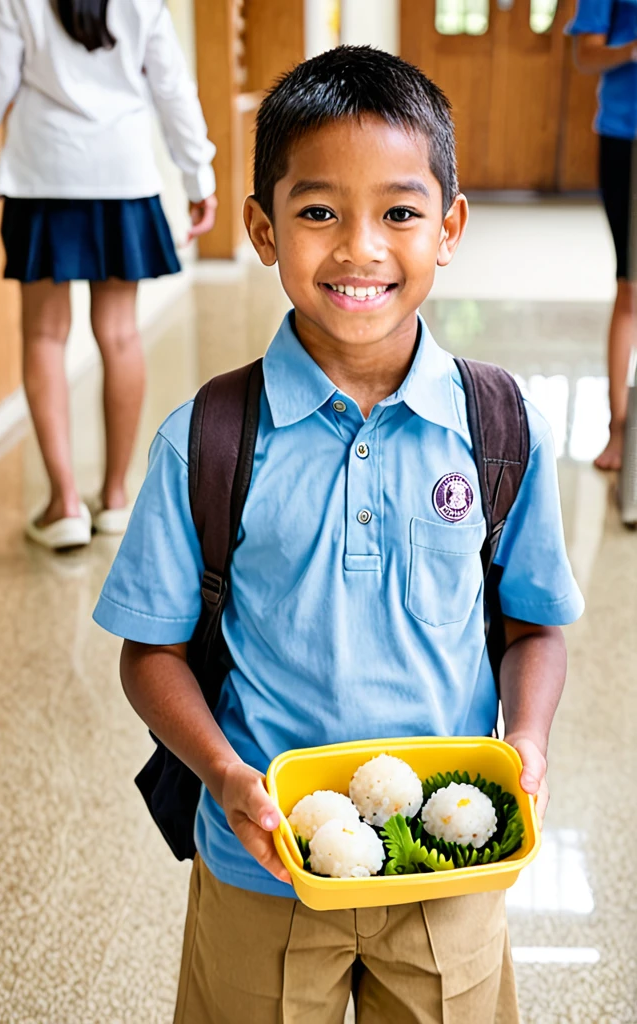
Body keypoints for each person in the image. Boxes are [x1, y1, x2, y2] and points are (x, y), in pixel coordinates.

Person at [93, 46, 584, 1023]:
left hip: (449, 863)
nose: (359, 247)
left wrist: (525, 742)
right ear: (264, 230)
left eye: (399, 211)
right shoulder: (209, 438)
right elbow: (148, 652)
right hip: (260, 859)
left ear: (448, 228)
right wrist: (226, 774)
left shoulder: (496, 425)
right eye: (319, 211)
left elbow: (535, 627)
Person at [0, 0, 217, 548]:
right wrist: (198, 178)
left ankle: (64, 503)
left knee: (44, 335)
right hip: (121, 175)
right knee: (119, 334)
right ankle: (116, 498)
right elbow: (172, 89)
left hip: (42, 178)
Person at [568, 1, 637, 470]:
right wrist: (632, 50)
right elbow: (585, 55)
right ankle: (619, 428)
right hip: (626, 139)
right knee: (631, 285)